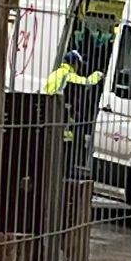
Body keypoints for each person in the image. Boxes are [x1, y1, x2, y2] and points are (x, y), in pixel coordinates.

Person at [42, 48, 104, 177]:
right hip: (61, 123)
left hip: (48, 118)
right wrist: (98, 75)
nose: (79, 68)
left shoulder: (55, 73)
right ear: (74, 63)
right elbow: (86, 82)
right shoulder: (67, 75)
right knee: (64, 155)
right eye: (79, 65)